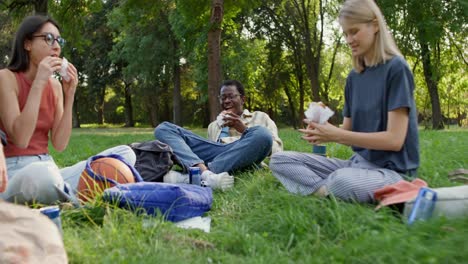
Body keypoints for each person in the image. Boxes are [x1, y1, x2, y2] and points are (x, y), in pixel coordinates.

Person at [269, 0, 419, 203]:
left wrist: (337, 135)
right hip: (356, 165)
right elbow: (347, 130)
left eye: (354, 31)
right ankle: (328, 191)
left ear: (375, 25)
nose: (349, 39)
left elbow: (394, 140)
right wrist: (324, 130)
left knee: (341, 181)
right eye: (345, 33)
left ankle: (329, 189)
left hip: (393, 173)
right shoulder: (354, 77)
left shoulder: (396, 69)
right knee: (279, 160)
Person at [0, 15, 135, 204]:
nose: (56, 46)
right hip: (16, 173)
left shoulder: (54, 86)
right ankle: (80, 201)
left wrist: (69, 94)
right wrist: (39, 81)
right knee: (43, 175)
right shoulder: (6, 78)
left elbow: (60, 143)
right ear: (27, 44)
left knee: (124, 154)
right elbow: (21, 139)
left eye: (58, 40)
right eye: (48, 39)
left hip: (50, 168)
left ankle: (65, 193)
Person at [154, 80, 283, 190]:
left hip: (245, 154)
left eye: (231, 96)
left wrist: (243, 129)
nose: (226, 101)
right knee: (164, 128)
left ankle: (194, 176)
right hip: (218, 153)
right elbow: (214, 155)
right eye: (223, 97)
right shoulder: (213, 125)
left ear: (243, 99)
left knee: (262, 134)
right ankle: (206, 175)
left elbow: (276, 150)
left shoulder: (260, 117)